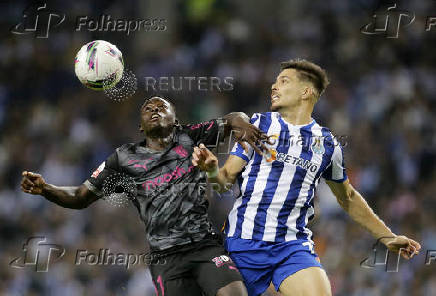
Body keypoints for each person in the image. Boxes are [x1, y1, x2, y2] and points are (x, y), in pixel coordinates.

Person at [191, 59, 422, 296]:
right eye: (275, 81)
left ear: (306, 92)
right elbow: (223, 182)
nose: (274, 86)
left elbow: (348, 198)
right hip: (243, 244)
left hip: (291, 246)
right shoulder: (259, 125)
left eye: (284, 81)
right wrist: (210, 169)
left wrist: (387, 237)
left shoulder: (328, 144)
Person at [20, 96, 269, 296]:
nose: (154, 109)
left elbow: (234, 118)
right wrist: (46, 189)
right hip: (166, 259)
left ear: (175, 119)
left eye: (162, 106)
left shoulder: (189, 137)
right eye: (148, 108)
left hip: (205, 246)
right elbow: (80, 196)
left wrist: (244, 125)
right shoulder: (123, 158)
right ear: (140, 126)